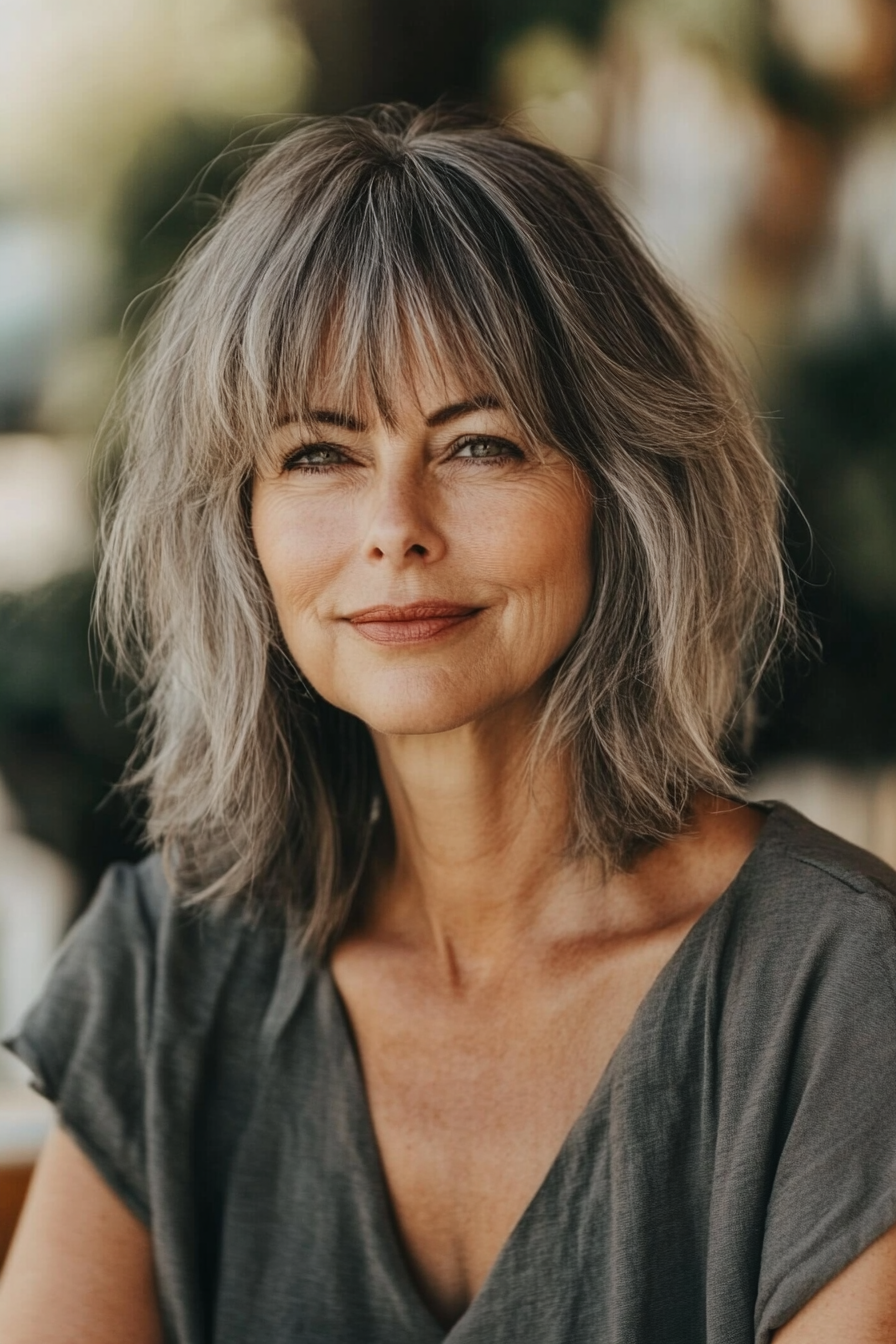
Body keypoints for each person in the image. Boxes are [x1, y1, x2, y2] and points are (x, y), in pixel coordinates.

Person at [1, 104, 895, 1344]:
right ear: (240, 525)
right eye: (317, 454)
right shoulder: (167, 973)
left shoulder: (841, 993)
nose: (395, 527)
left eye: (478, 443)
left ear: (623, 491)